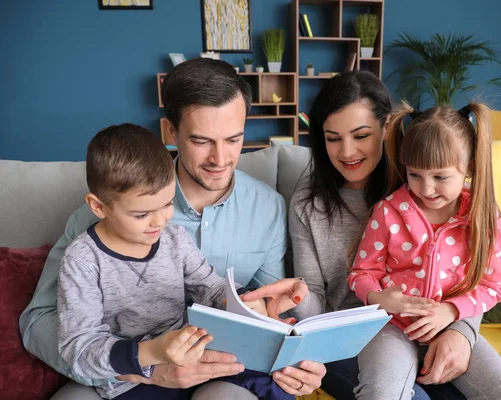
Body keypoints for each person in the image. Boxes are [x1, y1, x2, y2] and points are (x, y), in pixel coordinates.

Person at [19, 58, 324, 400]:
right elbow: (39, 322)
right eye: (201, 141)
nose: (220, 159)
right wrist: (144, 366)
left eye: (234, 139)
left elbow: (249, 311)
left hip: (220, 365)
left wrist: (284, 339)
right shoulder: (100, 219)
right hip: (126, 368)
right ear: (170, 132)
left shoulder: (266, 208)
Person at [243, 71, 480, 400]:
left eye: (361, 135)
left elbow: (470, 266)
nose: (347, 151)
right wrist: (294, 299)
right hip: (349, 341)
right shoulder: (308, 204)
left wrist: (462, 331)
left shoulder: (421, 185)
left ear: (386, 129)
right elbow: (315, 295)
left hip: (428, 326)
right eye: (333, 138)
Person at [57, 123, 293, 400]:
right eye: (142, 214)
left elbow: (210, 287)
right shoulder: (82, 260)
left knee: (271, 380)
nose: (160, 222)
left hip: (195, 358)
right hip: (136, 375)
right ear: (98, 206)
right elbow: (79, 347)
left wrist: (242, 300)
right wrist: (153, 352)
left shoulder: (174, 238)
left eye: (168, 204)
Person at [347, 101, 501, 399]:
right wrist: (378, 297)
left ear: (469, 167)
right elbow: (361, 273)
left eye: (440, 177)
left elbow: (492, 285)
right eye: (415, 175)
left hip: (452, 327)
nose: (426, 189)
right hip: (391, 327)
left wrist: (452, 311)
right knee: (380, 394)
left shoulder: (483, 216)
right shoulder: (388, 212)